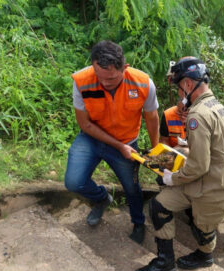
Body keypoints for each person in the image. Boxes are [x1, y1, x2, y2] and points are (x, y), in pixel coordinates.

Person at [134, 57, 224, 271]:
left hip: (210, 188)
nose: (180, 95)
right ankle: (165, 262)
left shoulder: (197, 114)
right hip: (211, 180)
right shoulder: (220, 107)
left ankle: (205, 255)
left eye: (179, 88)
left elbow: (199, 165)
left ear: (189, 85)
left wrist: (173, 178)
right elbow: (214, 148)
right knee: (159, 205)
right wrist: (187, 145)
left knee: (202, 227)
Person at [65, 41, 159, 244]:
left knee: (132, 188)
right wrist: (118, 146)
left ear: (124, 68)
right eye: (100, 77)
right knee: (73, 182)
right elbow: (85, 124)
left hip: (127, 141)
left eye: (112, 78)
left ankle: (138, 222)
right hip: (91, 139)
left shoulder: (143, 83)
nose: (105, 83)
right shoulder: (81, 80)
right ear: (93, 67)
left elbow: (151, 117)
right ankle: (101, 199)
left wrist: (155, 149)